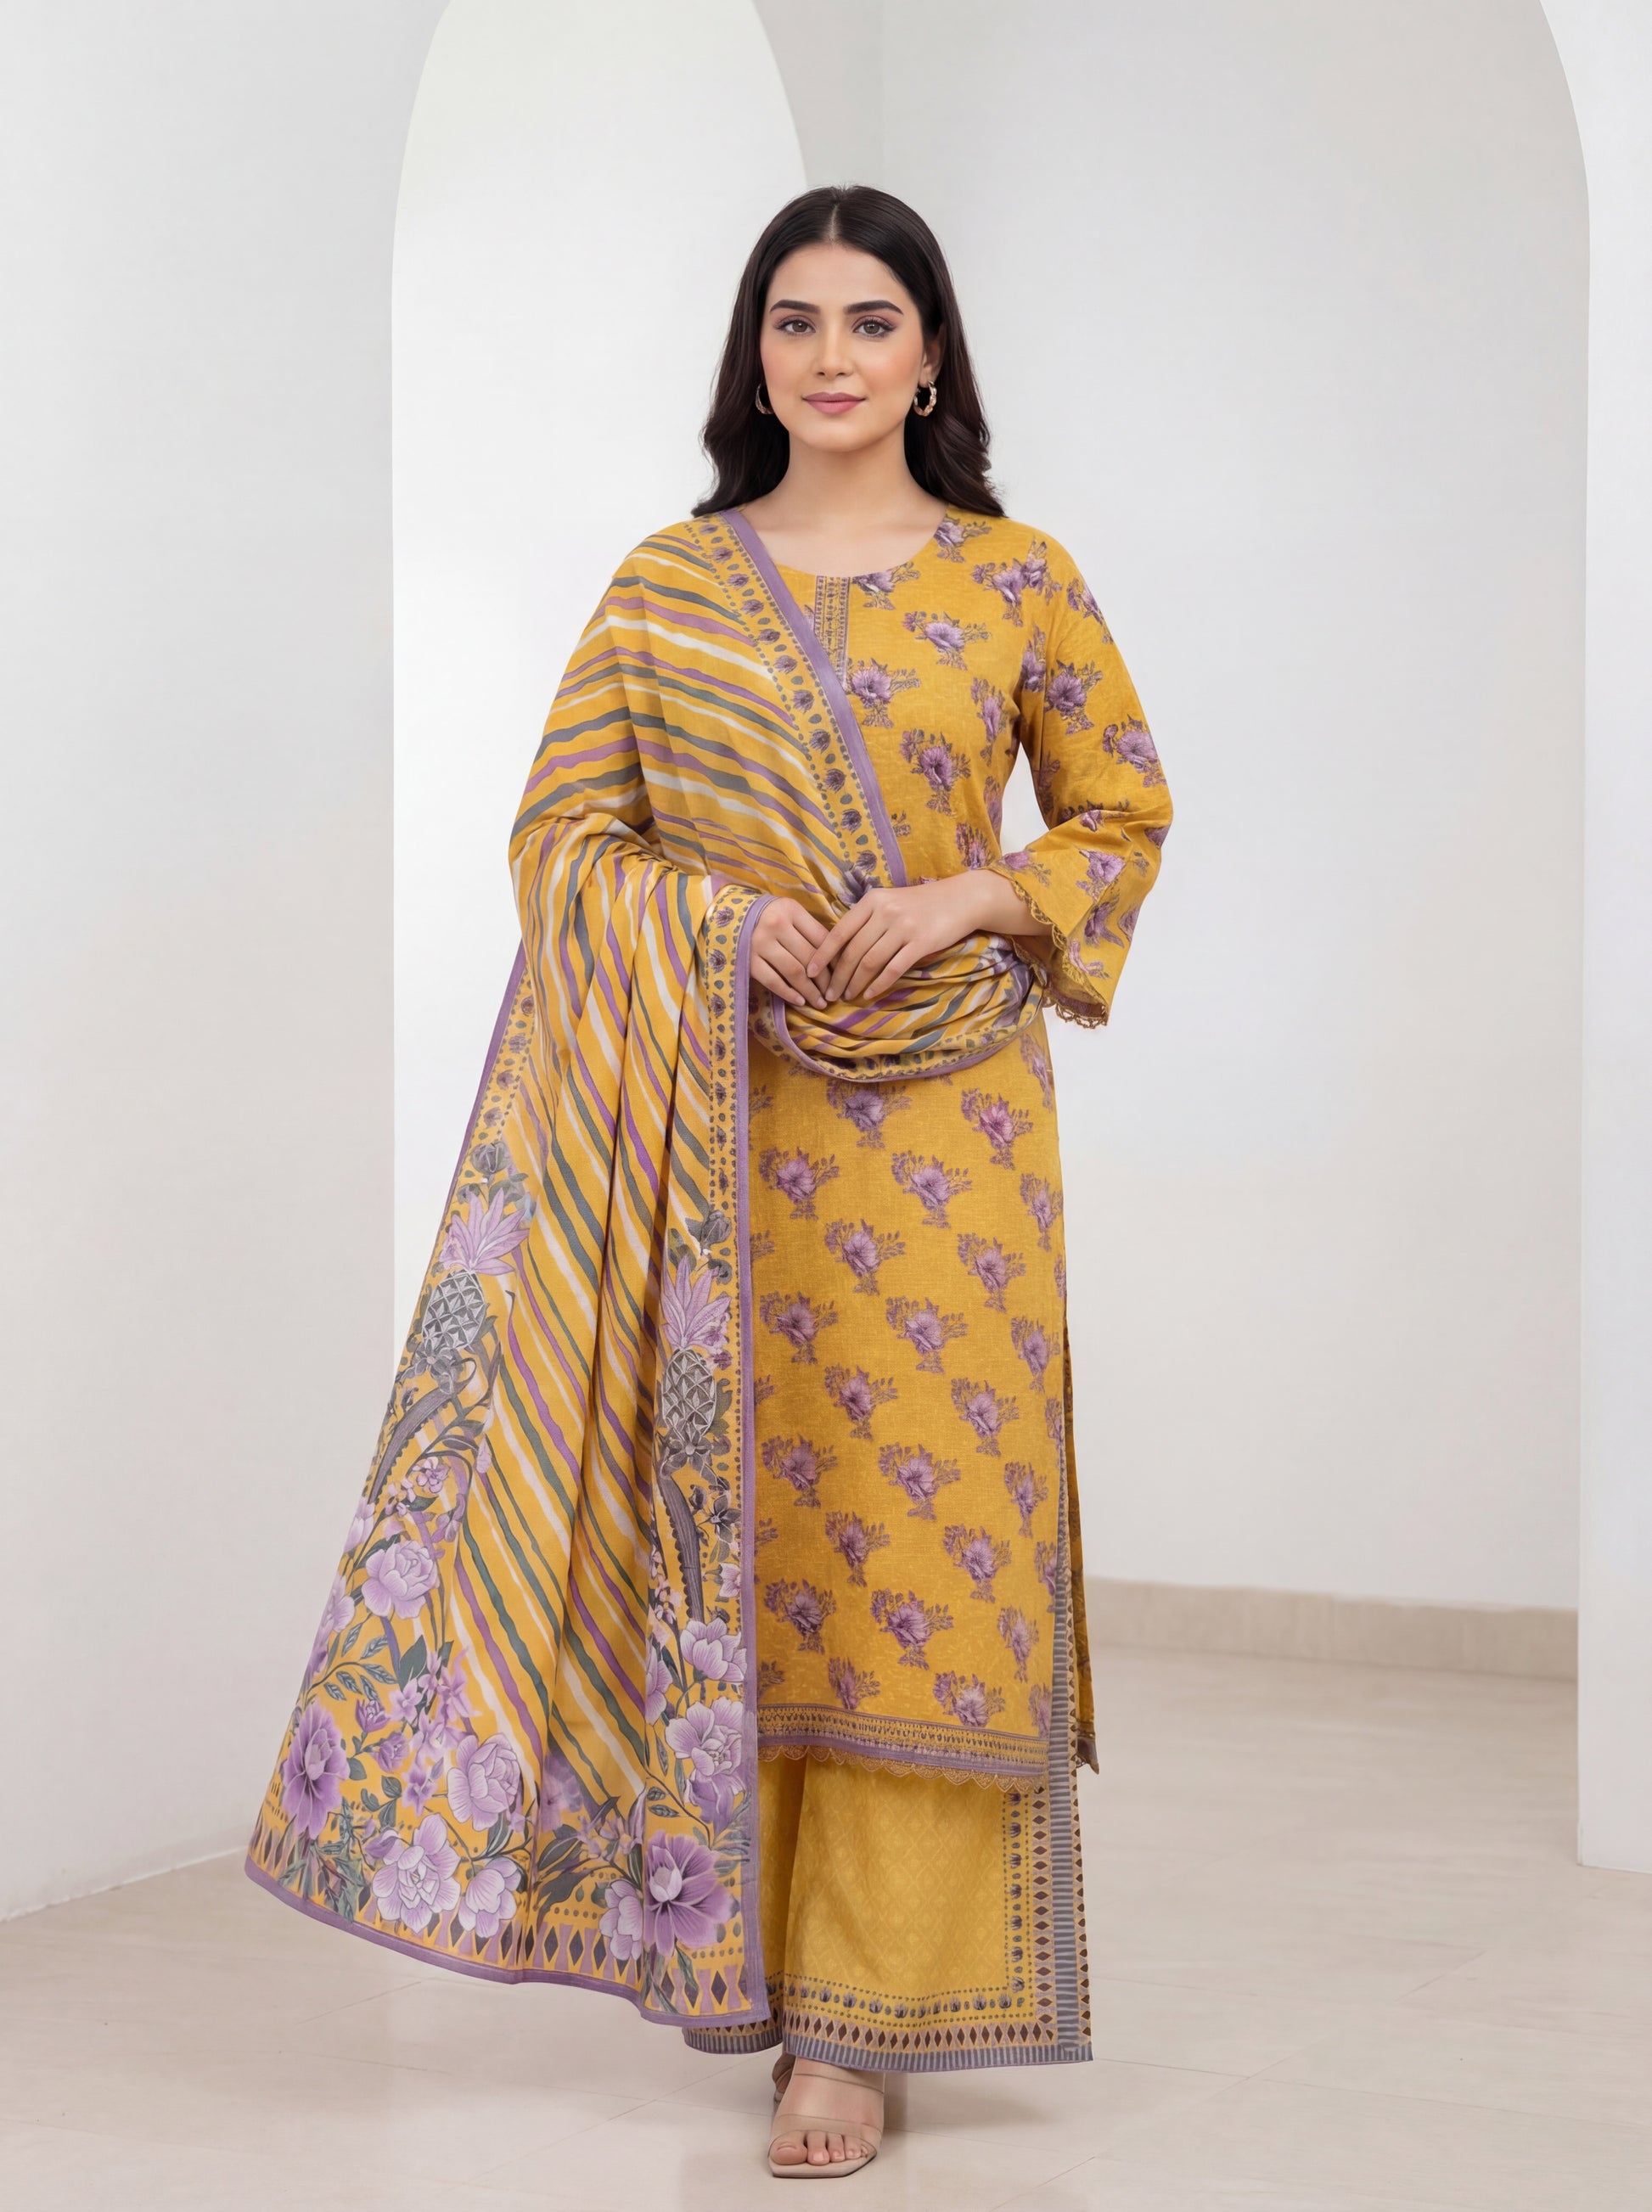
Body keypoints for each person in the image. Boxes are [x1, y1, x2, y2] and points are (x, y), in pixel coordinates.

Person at [248, 184, 1172, 2181]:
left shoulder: (1019, 578)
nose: (831, 356)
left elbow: (1118, 813)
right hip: (718, 1142)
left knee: (927, 1553)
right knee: (751, 1537)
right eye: (794, 322)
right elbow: (559, 843)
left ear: (930, 355)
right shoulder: (668, 586)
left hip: (949, 1150)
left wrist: (967, 896)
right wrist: (719, 929)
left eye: (870, 320)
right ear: (754, 357)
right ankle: (753, 1972)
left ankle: (865, 2026)